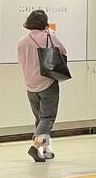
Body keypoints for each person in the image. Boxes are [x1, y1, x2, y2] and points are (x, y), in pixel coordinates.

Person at [16, 9, 67, 163]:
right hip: (47, 83)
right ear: (44, 22)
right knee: (47, 118)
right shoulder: (49, 38)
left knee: (40, 119)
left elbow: (21, 62)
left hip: (30, 85)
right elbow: (63, 51)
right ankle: (36, 146)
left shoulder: (22, 42)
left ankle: (45, 151)